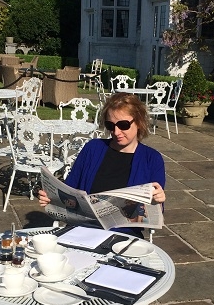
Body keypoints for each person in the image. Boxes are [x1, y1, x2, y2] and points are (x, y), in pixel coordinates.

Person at [38, 92, 166, 224]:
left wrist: (157, 202)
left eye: (123, 125)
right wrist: (51, 197)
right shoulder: (93, 149)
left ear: (139, 122)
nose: (116, 132)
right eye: (110, 126)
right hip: (84, 228)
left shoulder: (152, 159)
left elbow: (151, 217)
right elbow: (70, 187)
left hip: (124, 233)